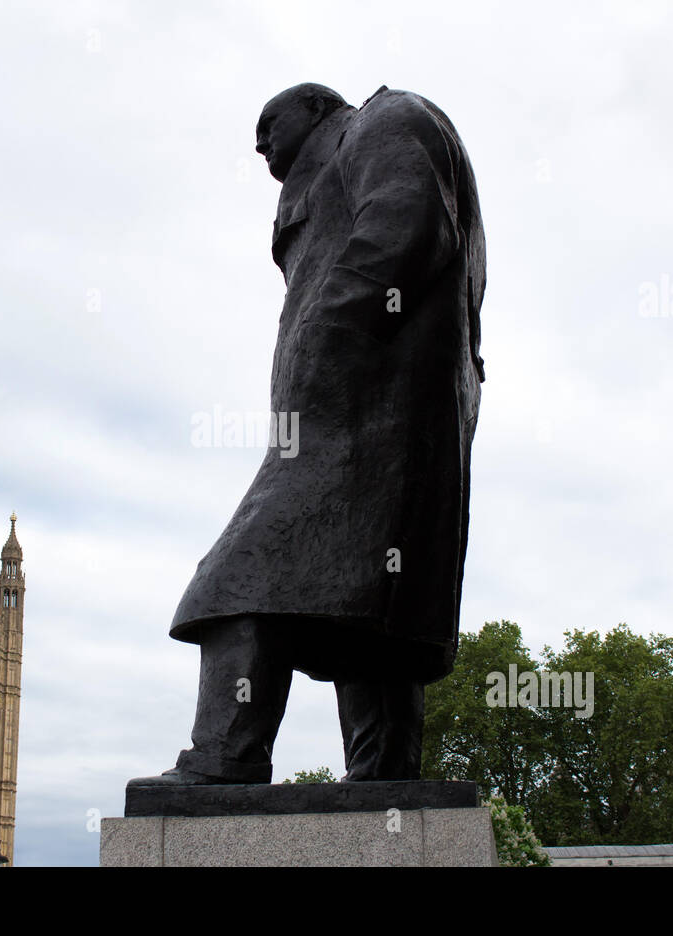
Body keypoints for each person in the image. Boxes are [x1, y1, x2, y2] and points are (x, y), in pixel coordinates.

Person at [132, 83, 486, 786]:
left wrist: (332, 331)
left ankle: (226, 755)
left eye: (269, 122)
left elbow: (407, 223)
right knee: (368, 603)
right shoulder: (333, 164)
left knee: (242, 578)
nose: (259, 141)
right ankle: (385, 772)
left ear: (320, 108)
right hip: (368, 413)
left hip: (364, 409)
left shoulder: (386, 120)